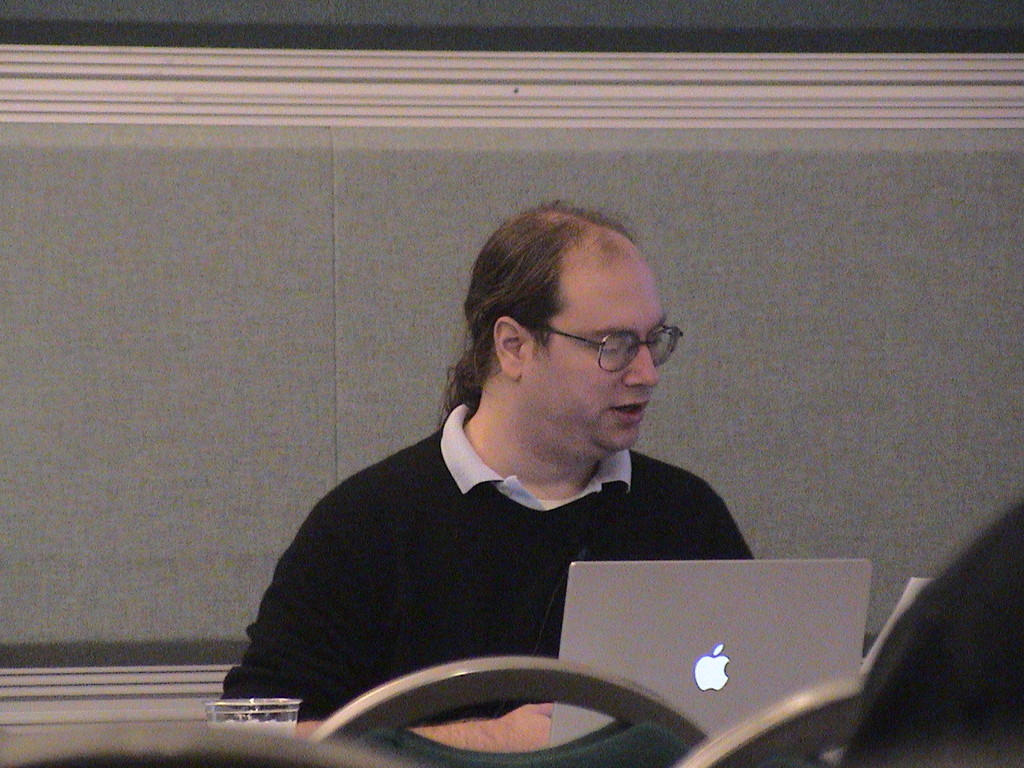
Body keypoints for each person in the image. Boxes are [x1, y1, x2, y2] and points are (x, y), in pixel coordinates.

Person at [222, 201, 751, 749]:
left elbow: (760, 716)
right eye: (613, 347)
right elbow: (249, 742)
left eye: (654, 341)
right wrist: (488, 740)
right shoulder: (365, 525)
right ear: (513, 346)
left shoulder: (687, 514)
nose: (646, 374)